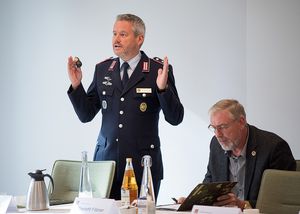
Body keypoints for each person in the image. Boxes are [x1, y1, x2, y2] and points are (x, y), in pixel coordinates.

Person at [67, 14, 184, 200]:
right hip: (106, 166)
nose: (116, 39)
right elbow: (86, 114)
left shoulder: (157, 70)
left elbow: (175, 118)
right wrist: (76, 86)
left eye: (123, 34)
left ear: (140, 39)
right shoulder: (103, 69)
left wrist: (163, 89)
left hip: (143, 166)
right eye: (114, 33)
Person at [177, 99, 295, 210]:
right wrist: (193, 200)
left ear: (241, 122)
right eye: (214, 128)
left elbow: (280, 201)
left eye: (222, 127)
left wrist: (243, 205)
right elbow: (210, 180)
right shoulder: (216, 145)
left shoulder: (274, 147)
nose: (218, 134)